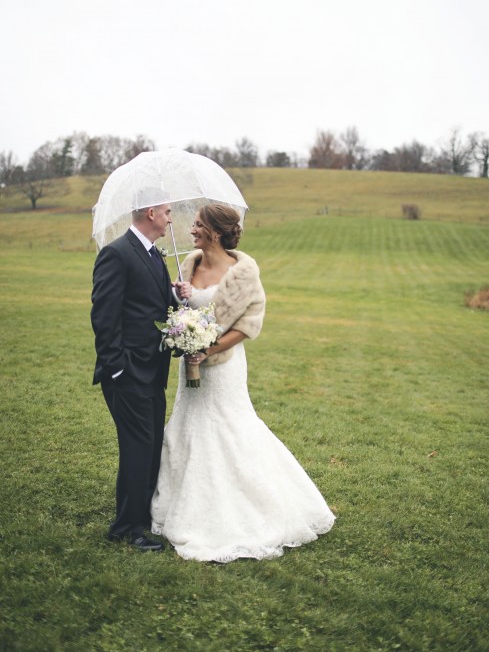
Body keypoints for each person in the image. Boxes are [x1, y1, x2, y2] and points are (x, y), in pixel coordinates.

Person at [150, 204, 335, 562]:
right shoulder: (189, 264)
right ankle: (184, 501)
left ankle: (249, 507)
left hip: (222, 368)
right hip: (189, 363)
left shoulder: (243, 273)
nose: (192, 230)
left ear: (216, 232)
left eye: (199, 225)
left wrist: (208, 349)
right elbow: (182, 312)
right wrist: (180, 299)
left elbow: (249, 325)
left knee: (228, 429)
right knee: (189, 427)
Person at [91, 199, 191, 552]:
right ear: (150, 213)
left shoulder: (154, 255)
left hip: (153, 370)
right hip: (128, 372)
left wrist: (177, 298)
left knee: (149, 448)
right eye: (166, 214)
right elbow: (104, 316)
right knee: (137, 447)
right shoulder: (117, 254)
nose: (169, 221)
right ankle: (126, 529)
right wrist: (117, 368)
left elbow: (155, 307)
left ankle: (140, 519)